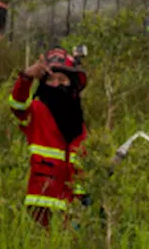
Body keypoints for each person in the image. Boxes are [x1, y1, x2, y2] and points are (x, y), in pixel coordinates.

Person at [8, 47, 89, 228]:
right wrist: (27, 77)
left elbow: (81, 162)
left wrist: (84, 196)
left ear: (72, 85)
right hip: (41, 204)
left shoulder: (79, 123)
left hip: (72, 207)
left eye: (62, 80)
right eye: (51, 80)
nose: (56, 85)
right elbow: (17, 105)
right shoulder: (36, 111)